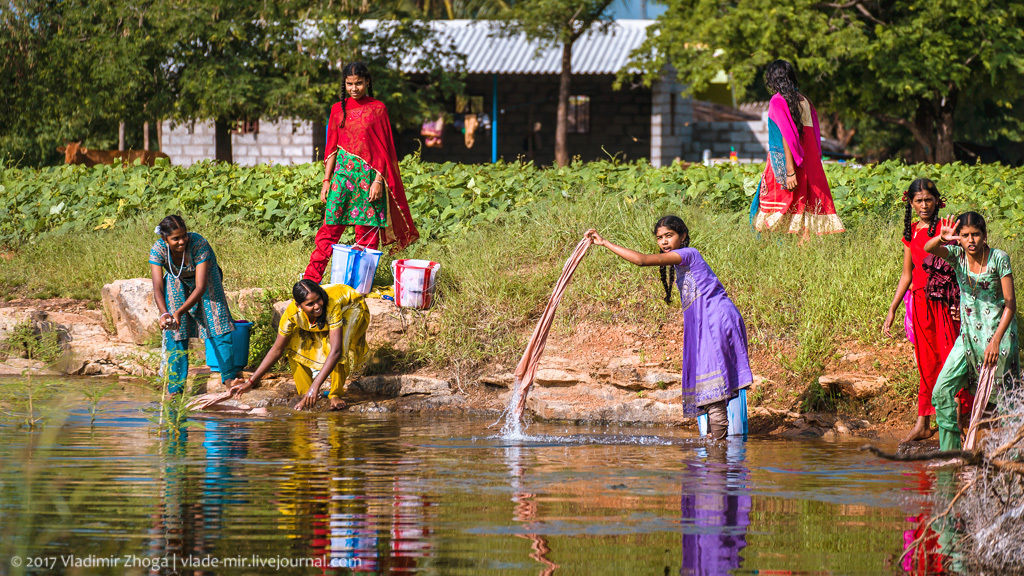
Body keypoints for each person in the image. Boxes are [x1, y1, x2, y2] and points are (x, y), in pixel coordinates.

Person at [586, 216, 753, 439]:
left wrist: (605, 243)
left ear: (682, 236)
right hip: (707, 321)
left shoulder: (688, 253)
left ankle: (718, 447)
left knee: (712, 381)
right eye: (659, 238)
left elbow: (642, 260)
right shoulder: (679, 262)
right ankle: (716, 445)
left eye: (669, 236)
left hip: (716, 320)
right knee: (709, 380)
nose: (664, 242)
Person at [303, 61, 418, 284]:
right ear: (344, 84)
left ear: (367, 82)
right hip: (342, 178)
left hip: (369, 178)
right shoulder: (337, 109)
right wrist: (326, 180)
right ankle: (310, 280)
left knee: (366, 235)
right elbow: (332, 148)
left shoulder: (378, 108)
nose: (354, 88)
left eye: (359, 83)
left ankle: (359, 285)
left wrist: (378, 181)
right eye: (349, 84)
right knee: (329, 230)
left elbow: (384, 149)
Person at [925, 213, 1019, 451]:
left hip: (999, 338)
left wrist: (996, 341)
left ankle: (1012, 454)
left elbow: (1010, 304)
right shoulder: (957, 257)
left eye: (975, 234)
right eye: (965, 235)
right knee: (942, 390)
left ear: (984, 236)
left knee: (1004, 401)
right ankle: (951, 451)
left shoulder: (999, 258)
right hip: (967, 339)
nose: (970, 240)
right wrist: (942, 238)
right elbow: (929, 248)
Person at [882, 179, 961, 442]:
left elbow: (961, 267)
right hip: (919, 303)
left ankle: (960, 421)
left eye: (928, 200)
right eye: (919, 200)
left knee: (952, 359)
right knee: (926, 363)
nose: (924, 205)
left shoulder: (946, 228)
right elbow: (907, 275)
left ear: (938, 201)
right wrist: (893, 308)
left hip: (946, 303)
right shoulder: (911, 232)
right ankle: (923, 423)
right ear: (911, 203)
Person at [230, 280, 369, 411]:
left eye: (318, 300)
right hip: (319, 317)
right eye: (310, 304)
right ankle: (306, 394)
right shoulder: (291, 315)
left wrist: (316, 387)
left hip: (352, 307)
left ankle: (335, 394)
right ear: (299, 305)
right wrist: (251, 382)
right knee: (292, 345)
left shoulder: (331, 305)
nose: (317, 306)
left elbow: (336, 351)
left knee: (336, 347)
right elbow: (277, 350)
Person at [750, 59, 844, 237]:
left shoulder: (777, 101)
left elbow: (787, 135)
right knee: (805, 209)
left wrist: (790, 171)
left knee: (772, 210)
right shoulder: (805, 100)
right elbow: (812, 136)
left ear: (772, 79)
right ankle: (803, 254)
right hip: (810, 163)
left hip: (788, 164)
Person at [149, 215, 238, 394]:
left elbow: (200, 286)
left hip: (207, 279)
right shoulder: (158, 250)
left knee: (217, 324)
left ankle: (230, 381)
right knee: (176, 331)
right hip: (176, 279)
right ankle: (175, 389)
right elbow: (158, 286)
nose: (182, 241)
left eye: (184, 236)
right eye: (175, 239)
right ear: (164, 239)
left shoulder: (198, 244)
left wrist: (179, 312)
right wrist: (165, 314)